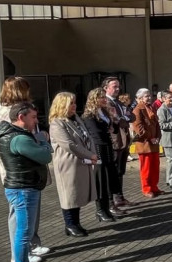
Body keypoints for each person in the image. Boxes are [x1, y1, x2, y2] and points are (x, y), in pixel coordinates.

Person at [0, 102, 53, 262]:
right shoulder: (19, 139)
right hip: (23, 189)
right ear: (21, 117)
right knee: (23, 234)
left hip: (24, 187)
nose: (36, 121)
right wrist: (43, 140)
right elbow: (46, 156)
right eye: (33, 117)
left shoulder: (16, 135)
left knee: (24, 233)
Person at [0, 76, 49, 262]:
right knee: (19, 213)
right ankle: (18, 253)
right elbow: (7, 143)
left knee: (32, 209)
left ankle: (32, 243)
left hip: (32, 166)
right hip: (18, 171)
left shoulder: (25, 108)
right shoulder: (7, 112)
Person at [48, 92, 97, 238]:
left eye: (75, 103)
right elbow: (69, 145)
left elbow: (87, 137)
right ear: (62, 105)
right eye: (71, 103)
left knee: (77, 194)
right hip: (68, 164)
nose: (74, 106)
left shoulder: (76, 118)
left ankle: (76, 223)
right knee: (69, 195)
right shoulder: (57, 123)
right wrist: (90, 155)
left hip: (81, 163)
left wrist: (93, 153)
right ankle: (70, 224)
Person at [81, 88, 122, 220]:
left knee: (109, 179)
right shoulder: (88, 116)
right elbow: (96, 134)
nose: (105, 99)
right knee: (101, 180)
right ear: (94, 100)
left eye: (105, 97)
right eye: (101, 97)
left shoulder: (104, 112)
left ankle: (108, 208)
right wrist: (107, 129)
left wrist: (113, 123)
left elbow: (114, 128)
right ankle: (100, 210)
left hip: (108, 148)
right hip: (98, 150)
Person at [102, 77, 135, 208]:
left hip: (124, 141)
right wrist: (124, 117)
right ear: (106, 88)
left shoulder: (119, 103)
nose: (117, 89)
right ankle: (112, 200)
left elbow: (132, 116)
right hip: (114, 142)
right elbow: (117, 120)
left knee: (120, 171)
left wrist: (124, 117)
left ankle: (119, 197)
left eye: (118, 86)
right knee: (113, 172)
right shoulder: (105, 103)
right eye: (114, 86)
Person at [131, 88, 163, 198]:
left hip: (154, 143)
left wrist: (158, 136)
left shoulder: (151, 108)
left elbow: (157, 124)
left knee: (155, 167)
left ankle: (154, 187)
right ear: (139, 98)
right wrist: (150, 138)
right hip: (145, 144)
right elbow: (138, 127)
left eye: (149, 95)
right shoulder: (137, 110)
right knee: (146, 168)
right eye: (146, 96)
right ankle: (146, 188)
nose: (149, 97)